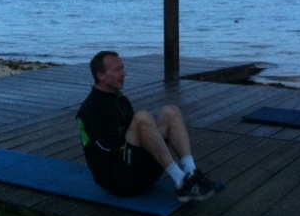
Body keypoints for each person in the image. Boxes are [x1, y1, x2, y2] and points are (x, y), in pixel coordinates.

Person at [76, 50, 217, 202]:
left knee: (171, 111)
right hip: (118, 181)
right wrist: (144, 135)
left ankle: (191, 172)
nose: (124, 74)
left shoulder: (121, 101)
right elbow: (107, 152)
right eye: (117, 70)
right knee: (142, 117)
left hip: (140, 173)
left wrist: (149, 138)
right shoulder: (90, 109)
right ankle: (181, 181)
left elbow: (133, 139)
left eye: (123, 68)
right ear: (100, 75)